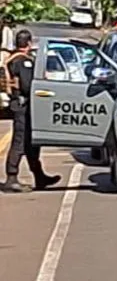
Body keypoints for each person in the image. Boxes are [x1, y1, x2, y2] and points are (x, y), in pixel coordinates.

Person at [3, 30, 61, 193]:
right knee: (20, 142)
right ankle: (11, 178)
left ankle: (39, 175)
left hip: (22, 105)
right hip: (23, 106)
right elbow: (28, 86)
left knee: (30, 143)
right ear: (29, 43)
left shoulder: (13, 59)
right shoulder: (23, 62)